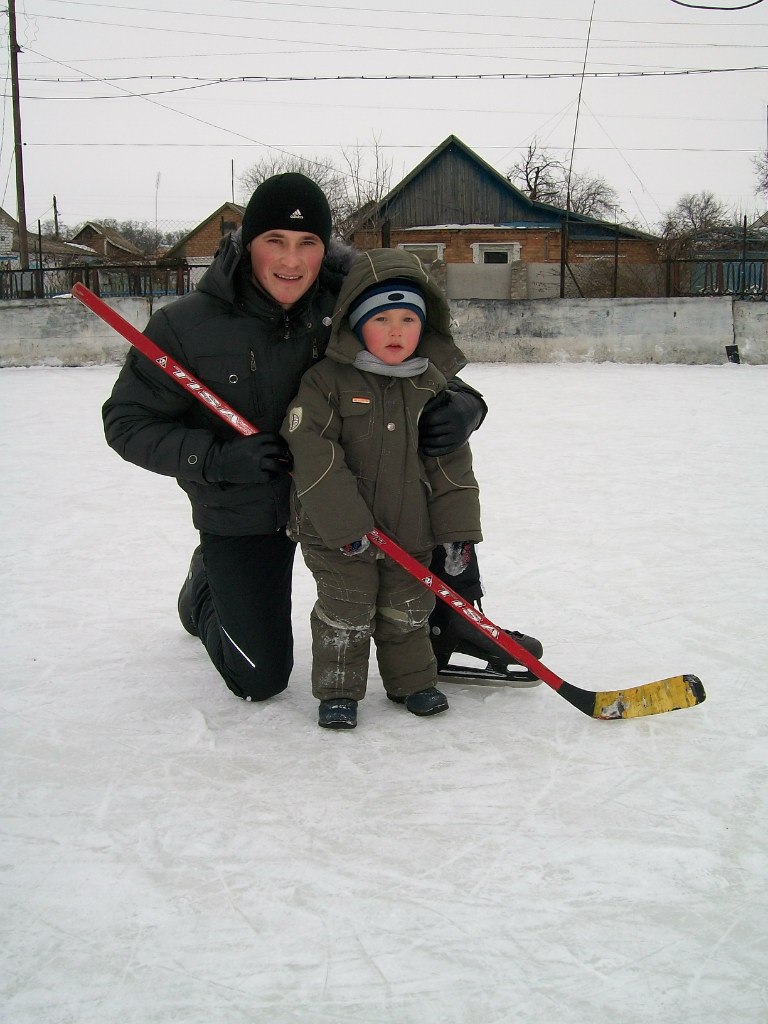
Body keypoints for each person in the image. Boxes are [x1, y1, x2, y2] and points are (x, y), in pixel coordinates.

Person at [102, 172, 541, 704]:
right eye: (275, 242)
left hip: (357, 496)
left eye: (307, 243)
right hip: (246, 509)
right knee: (259, 678)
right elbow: (126, 422)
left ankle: (456, 615)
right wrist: (217, 459)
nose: (292, 261)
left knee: (430, 479)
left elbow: (425, 367)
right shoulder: (186, 325)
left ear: (323, 246)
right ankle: (204, 591)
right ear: (249, 243)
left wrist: (467, 407)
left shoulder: (349, 300)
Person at [281, 250, 482, 729]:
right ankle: (337, 691)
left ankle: (412, 683)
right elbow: (312, 451)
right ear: (356, 324)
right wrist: (345, 525)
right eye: (382, 318)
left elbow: (451, 467)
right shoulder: (325, 381)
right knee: (345, 611)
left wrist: (457, 533)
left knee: (408, 610)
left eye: (409, 318)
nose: (397, 331)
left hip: (410, 528)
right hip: (339, 534)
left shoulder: (433, 387)